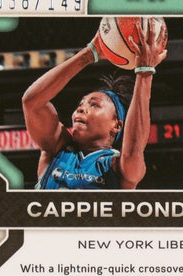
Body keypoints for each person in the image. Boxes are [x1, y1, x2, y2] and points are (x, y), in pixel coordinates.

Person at [22, 19, 167, 190]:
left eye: (94, 105)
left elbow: (134, 149)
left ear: (116, 125)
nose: (81, 108)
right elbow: (32, 102)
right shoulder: (57, 149)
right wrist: (88, 54)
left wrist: (144, 74)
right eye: (81, 104)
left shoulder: (117, 167)